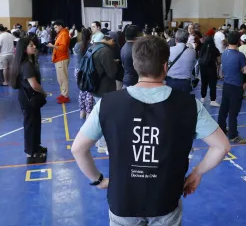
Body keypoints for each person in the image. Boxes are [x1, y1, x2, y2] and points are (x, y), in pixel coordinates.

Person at [71, 35, 230, 225]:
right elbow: (221, 146)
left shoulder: (108, 103)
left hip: (123, 201)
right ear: (165, 67)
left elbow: (78, 149)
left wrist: (98, 180)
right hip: (165, 200)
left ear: (136, 65)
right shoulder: (189, 105)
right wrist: (197, 173)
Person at [9, 38, 47, 164]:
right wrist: (43, 92)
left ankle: (36, 146)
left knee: (35, 123)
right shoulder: (26, 65)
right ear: (24, 49)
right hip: (29, 97)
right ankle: (30, 152)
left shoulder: (28, 62)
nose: (34, 46)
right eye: (31, 45)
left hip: (29, 97)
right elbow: (34, 85)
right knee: (30, 125)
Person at [218, 31, 246, 144]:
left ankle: (221, 129)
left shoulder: (224, 53)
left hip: (226, 84)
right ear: (239, 41)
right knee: (233, 112)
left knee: (224, 109)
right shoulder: (240, 55)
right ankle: (233, 135)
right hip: (236, 86)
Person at [74, 29, 95, 119]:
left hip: (78, 70)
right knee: (89, 92)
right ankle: (88, 112)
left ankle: (82, 112)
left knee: (82, 91)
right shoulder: (92, 47)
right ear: (90, 36)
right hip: (88, 71)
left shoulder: (77, 45)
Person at [48, 20, 71, 104]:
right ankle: (63, 93)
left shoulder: (64, 34)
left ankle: (66, 96)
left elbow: (63, 48)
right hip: (59, 58)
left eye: (56, 27)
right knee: (60, 78)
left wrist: (52, 45)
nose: (55, 29)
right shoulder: (61, 34)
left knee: (63, 78)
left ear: (60, 26)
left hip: (62, 58)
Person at [198, 36, 220, 107]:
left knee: (204, 83)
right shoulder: (215, 49)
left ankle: (202, 98)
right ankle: (212, 100)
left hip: (203, 68)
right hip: (211, 68)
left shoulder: (202, 48)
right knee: (212, 84)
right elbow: (219, 61)